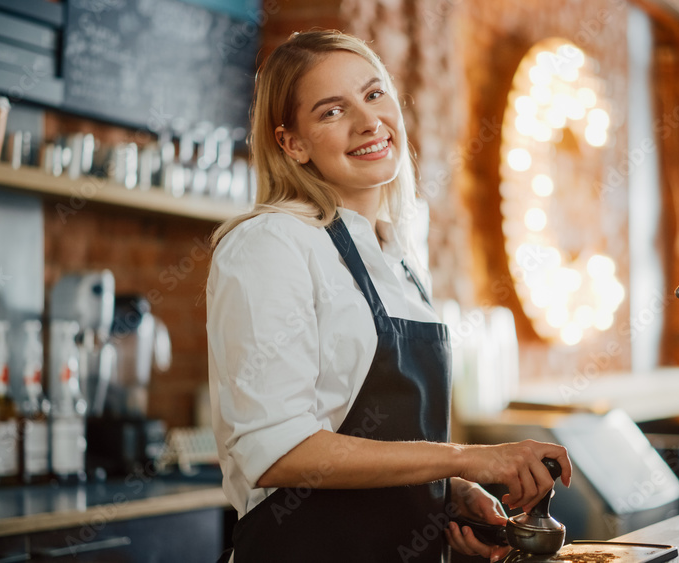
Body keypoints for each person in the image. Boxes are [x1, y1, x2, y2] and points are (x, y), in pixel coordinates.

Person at [206, 30, 572, 563]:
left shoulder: (396, 256)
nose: (368, 122)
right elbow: (276, 452)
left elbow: (386, 447)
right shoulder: (270, 243)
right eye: (332, 111)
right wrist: (462, 459)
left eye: (374, 95)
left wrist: (449, 494)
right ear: (293, 143)